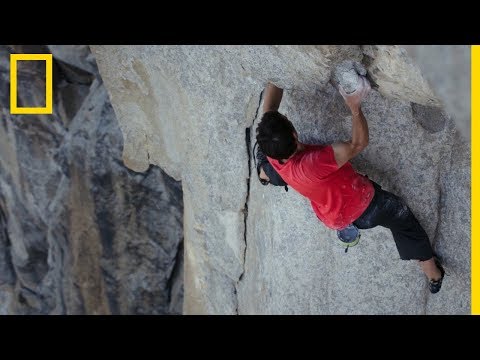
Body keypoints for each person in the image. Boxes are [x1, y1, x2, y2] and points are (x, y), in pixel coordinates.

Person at [256, 79, 445, 294]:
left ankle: (264, 174)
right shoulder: (314, 163)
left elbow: (269, 109)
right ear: (294, 135)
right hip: (364, 208)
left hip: (331, 215)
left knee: (274, 171)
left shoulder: (270, 149)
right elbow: (357, 144)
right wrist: (354, 108)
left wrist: (279, 72)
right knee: (402, 219)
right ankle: (433, 273)